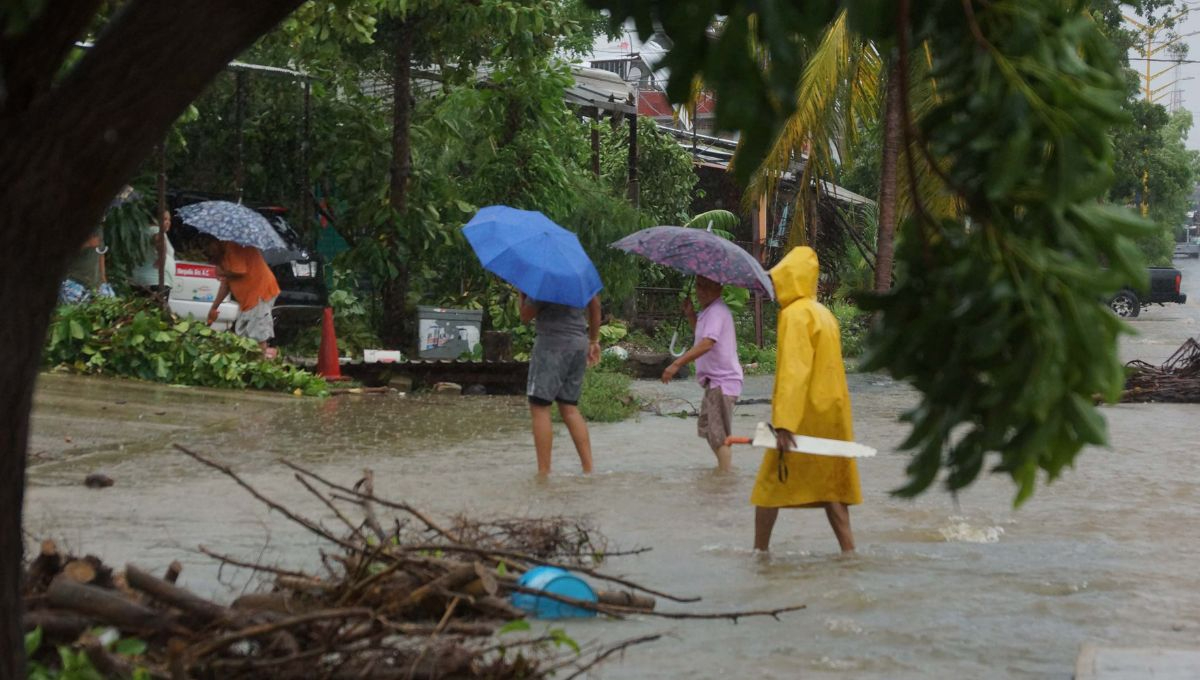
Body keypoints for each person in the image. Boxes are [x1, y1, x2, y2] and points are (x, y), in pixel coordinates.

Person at [750, 246, 861, 554]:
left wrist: (784, 423)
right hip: (833, 415)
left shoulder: (794, 316)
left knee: (768, 486)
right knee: (831, 487)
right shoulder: (824, 314)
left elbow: (793, 372)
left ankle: (759, 554)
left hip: (803, 416)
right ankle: (849, 554)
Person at [660, 275, 743, 472]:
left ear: (719, 288)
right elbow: (702, 335)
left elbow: (707, 343)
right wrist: (690, 314)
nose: (701, 290)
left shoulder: (717, 311)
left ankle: (724, 478)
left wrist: (676, 364)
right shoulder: (709, 311)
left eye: (707, 286)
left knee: (718, 434)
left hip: (722, 382)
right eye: (699, 285)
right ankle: (725, 471)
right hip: (714, 382)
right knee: (708, 429)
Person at [520, 291, 601, 475]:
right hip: (578, 344)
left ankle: (543, 473)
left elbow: (525, 316)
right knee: (569, 407)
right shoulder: (579, 275)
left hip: (551, 346)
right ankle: (589, 469)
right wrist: (594, 340)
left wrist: (522, 294)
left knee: (540, 407)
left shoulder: (545, 281)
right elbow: (595, 305)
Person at [203, 236, 280, 357]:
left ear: (216, 242)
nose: (209, 252)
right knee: (243, 335)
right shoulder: (223, 256)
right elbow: (225, 285)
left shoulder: (233, 245)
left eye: (209, 248)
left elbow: (240, 270)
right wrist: (214, 307)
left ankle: (260, 367)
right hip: (247, 300)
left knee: (257, 334)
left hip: (261, 293)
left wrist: (221, 272)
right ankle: (250, 363)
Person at [60, 228, 115, 304]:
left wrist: (103, 279)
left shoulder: (98, 228)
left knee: (112, 306)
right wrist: (87, 243)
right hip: (74, 282)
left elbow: (101, 253)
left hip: (97, 284)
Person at [131, 211, 176, 295]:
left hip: (145, 279)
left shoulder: (144, 231)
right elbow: (158, 240)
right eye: (164, 219)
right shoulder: (156, 230)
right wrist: (162, 258)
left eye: (169, 220)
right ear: (154, 219)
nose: (168, 222)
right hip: (155, 280)